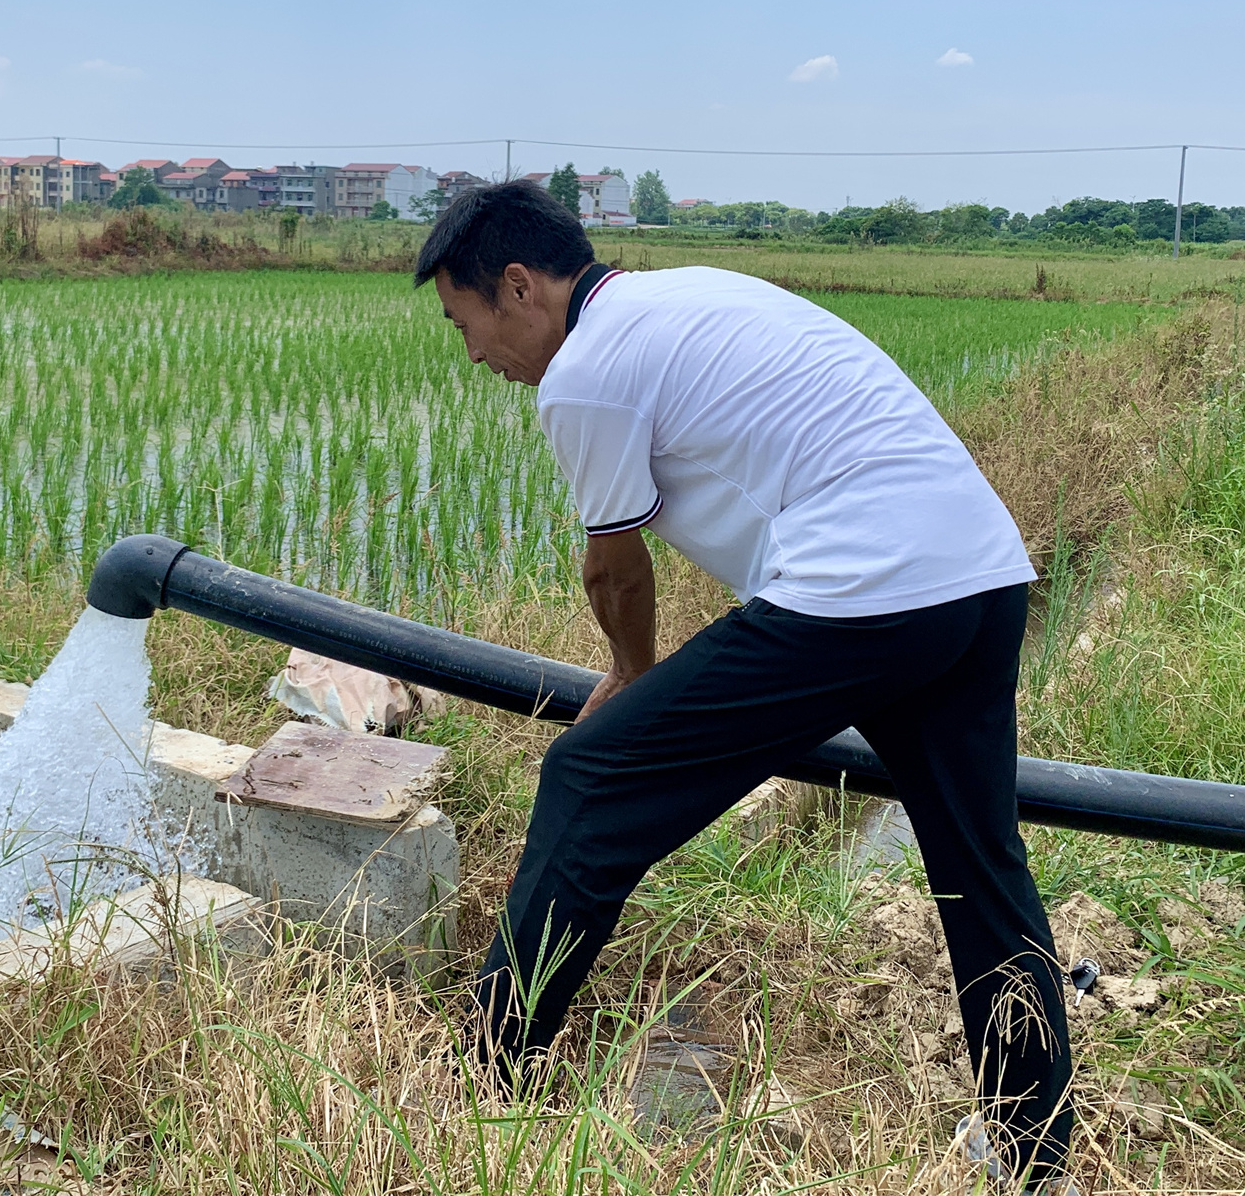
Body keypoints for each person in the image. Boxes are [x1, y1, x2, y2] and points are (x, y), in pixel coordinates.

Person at [415, 180, 1075, 1192]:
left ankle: (483, 1082)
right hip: (977, 579)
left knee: (589, 776)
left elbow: (614, 567)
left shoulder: (583, 372)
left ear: (518, 286)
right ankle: (1033, 1153)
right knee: (977, 862)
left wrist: (632, 675)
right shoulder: (684, 296)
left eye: (467, 324)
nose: (473, 355)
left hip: (861, 588)